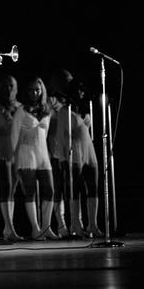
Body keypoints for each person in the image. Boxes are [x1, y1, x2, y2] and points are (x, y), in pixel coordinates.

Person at [11, 76, 58, 241]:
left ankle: (46, 227)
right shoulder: (21, 110)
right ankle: (35, 229)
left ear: (42, 91)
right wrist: (14, 159)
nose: (34, 93)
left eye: (37, 89)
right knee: (30, 191)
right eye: (31, 90)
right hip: (26, 153)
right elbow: (14, 135)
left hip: (42, 154)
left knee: (50, 190)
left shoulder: (46, 111)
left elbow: (44, 134)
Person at [56, 77, 103, 238]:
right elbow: (61, 136)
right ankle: (76, 224)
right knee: (74, 190)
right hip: (74, 151)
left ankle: (93, 224)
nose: (81, 93)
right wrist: (63, 159)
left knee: (93, 188)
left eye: (82, 90)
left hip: (88, 149)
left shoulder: (85, 108)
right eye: (78, 90)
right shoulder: (64, 111)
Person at [0, 75, 23, 241]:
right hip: (0, 151)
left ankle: (9, 228)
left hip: (17, 152)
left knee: (13, 190)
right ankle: (9, 227)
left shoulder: (21, 108)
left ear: (16, 88)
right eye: (4, 86)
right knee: (6, 187)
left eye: (11, 85)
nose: (8, 89)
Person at [47, 69, 74, 238]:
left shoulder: (73, 101)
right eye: (66, 81)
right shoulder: (50, 101)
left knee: (72, 189)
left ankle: (76, 224)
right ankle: (61, 225)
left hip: (72, 152)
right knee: (58, 189)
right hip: (55, 151)